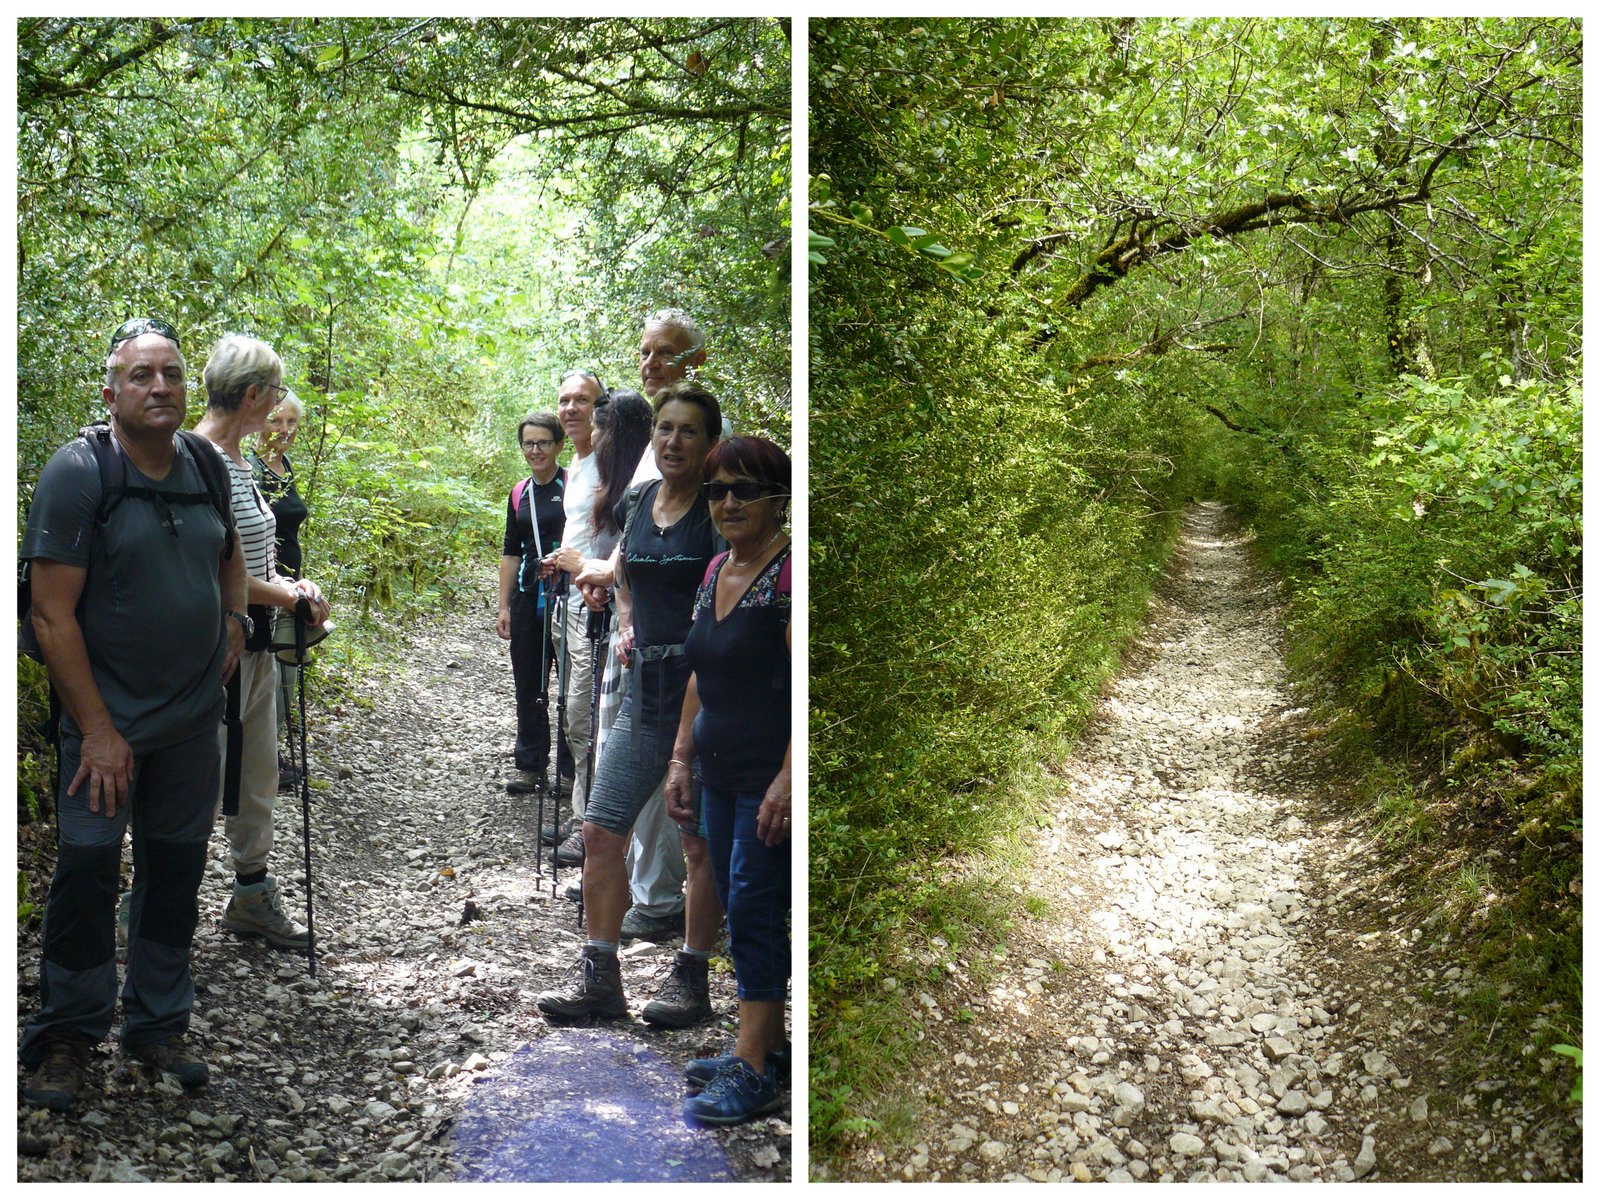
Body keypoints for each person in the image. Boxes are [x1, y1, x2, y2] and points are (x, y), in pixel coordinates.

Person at [20, 318, 246, 1108]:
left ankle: (156, 1024)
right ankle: (68, 1035)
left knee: (176, 870)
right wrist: (103, 731)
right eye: (142, 376)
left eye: (172, 375)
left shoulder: (206, 467)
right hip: (104, 727)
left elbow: (230, 555)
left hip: (190, 721)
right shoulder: (80, 474)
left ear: (188, 386)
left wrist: (234, 619)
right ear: (111, 390)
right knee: (85, 870)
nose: (159, 388)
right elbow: (52, 616)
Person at [535, 381, 726, 1027]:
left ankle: (692, 978)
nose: (673, 441)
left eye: (688, 431)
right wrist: (608, 599)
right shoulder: (643, 499)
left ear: (710, 444)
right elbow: (622, 569)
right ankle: (601, 980)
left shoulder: (718, 514)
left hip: (705, 699)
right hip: (645, 692)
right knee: (599, 829)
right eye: (665, 429)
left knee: (698, 844)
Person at [668, 437, 793, 1123]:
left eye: (745, 489)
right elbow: (701, 673)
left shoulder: (790, 577)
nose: (730, 502)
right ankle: (764, 1046)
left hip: (763, 778)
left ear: (779, 498)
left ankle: (751, 1069)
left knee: (750, 906)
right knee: (736, 899)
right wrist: (680, 757)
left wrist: (786, 778)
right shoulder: (717, 569)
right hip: (714, 770)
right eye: (718, 491)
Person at [195, 335, 331, 952]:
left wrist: (285, 581)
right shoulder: (198, 459)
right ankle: (146, 910)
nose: (279, 402)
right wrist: (287, 599)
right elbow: (207, 568)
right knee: (195, 782)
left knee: (255, 777)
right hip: (208, 654)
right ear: (252, 394)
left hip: (253, 648)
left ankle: (250, 896)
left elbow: (249, 554)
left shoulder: (241, 460)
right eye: (274, 391)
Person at [525, 370, 604, 813]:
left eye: (582, 400)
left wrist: (591, 568)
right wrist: (561, 560)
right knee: (575, 719)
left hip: (594, 607)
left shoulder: (614, 462)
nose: (571, 408)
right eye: (564, 400)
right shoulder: (578, 461)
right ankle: (583, 820)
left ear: (600, 406)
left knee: (584, 717)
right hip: (566, 602)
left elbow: (618, 536)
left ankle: (590, 827)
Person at [495, 412, 566, 794]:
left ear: (559, 444)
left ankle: (571, 774)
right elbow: (510, 551)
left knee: (570, 687)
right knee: (528, 683)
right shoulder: (519, 492)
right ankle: (531, 765)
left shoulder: (574, 484)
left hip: (568, 597)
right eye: (528, 443)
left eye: (543, 443)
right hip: (527, 599)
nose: (535, 450)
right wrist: (503, 606)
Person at [247, 391, 310, 792]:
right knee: (264, 672)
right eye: (276, 421)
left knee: (287, 669)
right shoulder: (248, 467)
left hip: (290, 583)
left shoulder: (285, 466)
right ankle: (258, 758)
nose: (284, 431)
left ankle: (268, 754)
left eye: (291, 423)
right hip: (259, 585)